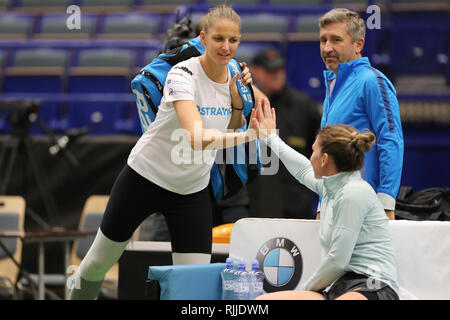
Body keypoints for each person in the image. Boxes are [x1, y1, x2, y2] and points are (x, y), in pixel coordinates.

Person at [69, 4, 262, 300]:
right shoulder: (181, 74)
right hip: (145, 177)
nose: (226, 47)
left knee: (192, 287)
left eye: (233, 40)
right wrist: (250, 135)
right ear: (203, 38)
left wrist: (238, 104)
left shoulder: (237, 75)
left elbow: (230, 132)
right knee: (96, 264)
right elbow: (196, 138)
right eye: (218, 39)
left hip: (191, 189)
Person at [252, 99, 399, 300]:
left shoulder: (353, 193)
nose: (310, 156)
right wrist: (270, 138)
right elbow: (303, 169)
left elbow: (338, 260)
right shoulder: (332, 187)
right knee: (261, 303)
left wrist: (306, 288)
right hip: (338, 286)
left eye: (313, 151)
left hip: (373, 286)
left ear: (325, 159)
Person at [317, 8, 403, 220]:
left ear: (358, 44)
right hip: (334, 206)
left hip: (367, 207)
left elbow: (391, 140)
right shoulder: (333, 84)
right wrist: (322, 205)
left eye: (336, 40)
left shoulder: (372, 81)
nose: (327, 48)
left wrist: (386, 202)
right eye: (323, 40)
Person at [249, 48, 322, 219]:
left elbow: (320, 152)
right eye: (270, 71)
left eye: (280, 70)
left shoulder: (304, 106)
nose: (278, 75)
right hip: (256, 201)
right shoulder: (246, 105)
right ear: (255, 72)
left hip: (295, 202)